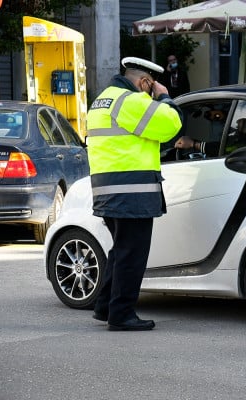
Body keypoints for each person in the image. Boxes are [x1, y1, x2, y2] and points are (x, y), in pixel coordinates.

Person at [86, 57, 182, 331]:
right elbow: (170, 125)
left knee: (121, 250)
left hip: (108, 189)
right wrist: (165, 98)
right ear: (144, 82)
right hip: (131, 191)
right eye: (151, 89)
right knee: (133, 254)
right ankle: (122, 315)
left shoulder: (103, 100)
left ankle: (105, 307)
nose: (151, 95)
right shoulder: (130, 101)